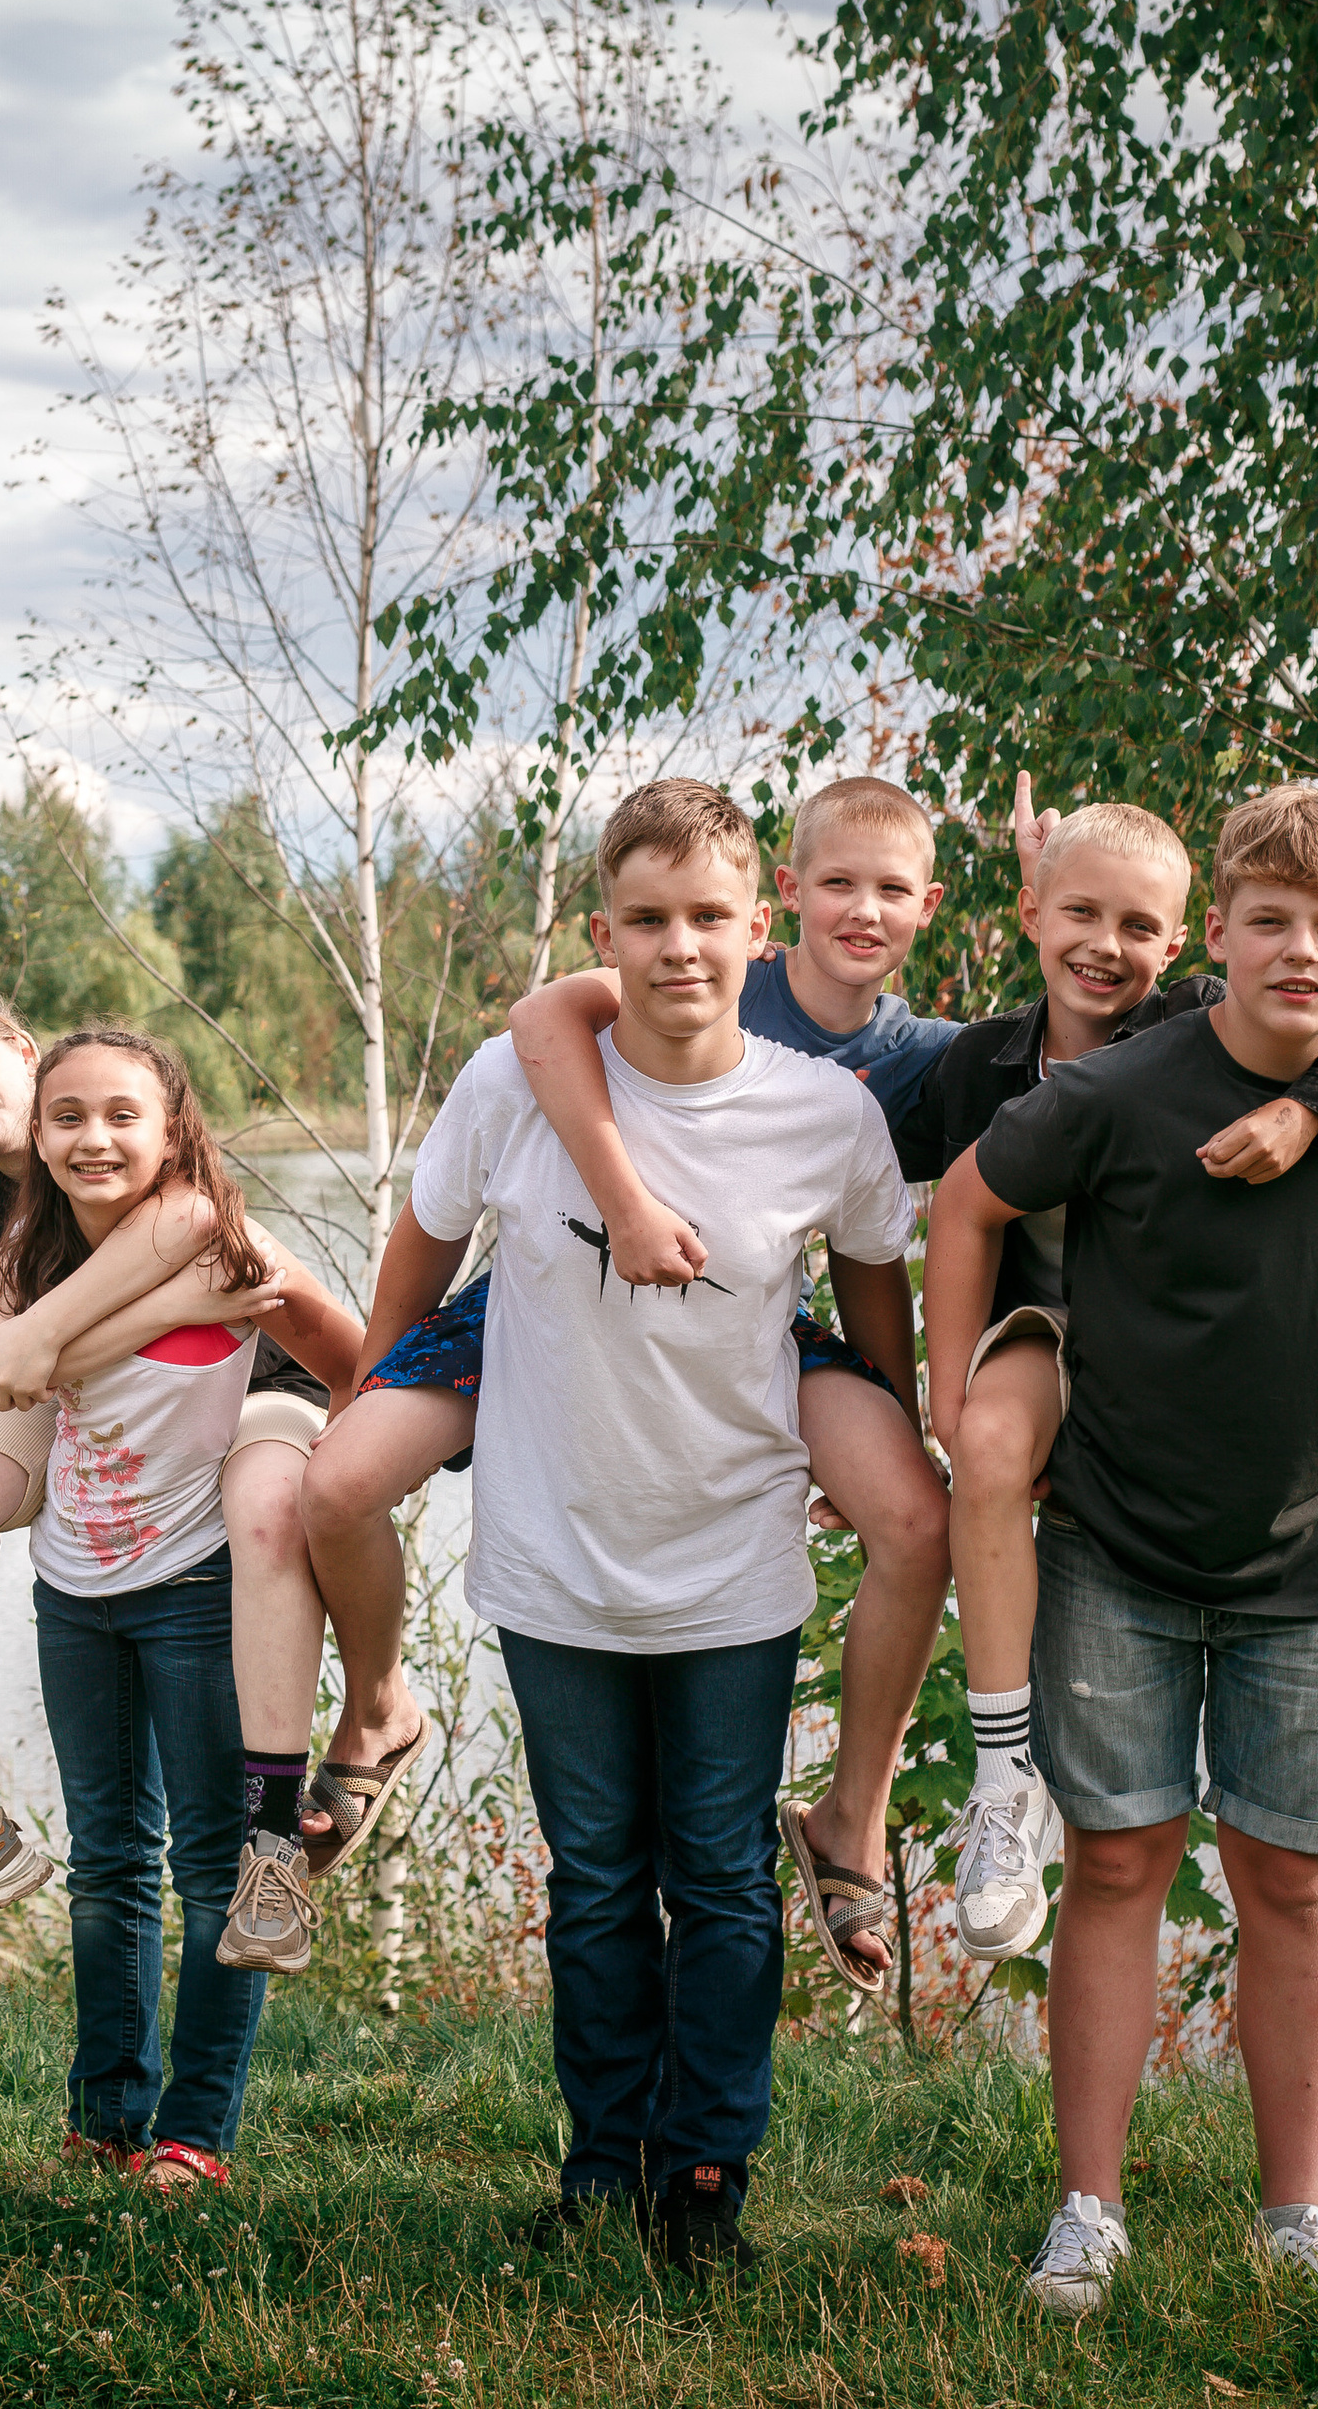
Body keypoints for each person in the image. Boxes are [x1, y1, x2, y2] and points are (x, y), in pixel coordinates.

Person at [377, 778, 917, 2271]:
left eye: (708, 919)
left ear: (760, 928)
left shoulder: (825, 1115)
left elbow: (876, 1299)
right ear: (600, 931)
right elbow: (420, 1247)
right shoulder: (514, 1087)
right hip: (554, 1559)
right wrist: (378, 1387)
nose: (680, 947)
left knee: (727, 1884)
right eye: (647, 920)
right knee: (597, 1881)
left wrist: (874, 1415)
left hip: (732, 1560)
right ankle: (598, 2163)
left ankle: (706, 2182)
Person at [924, 785, 1318, 2313]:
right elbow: (965, 1206)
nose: (1300, 950)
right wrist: (962, 1402)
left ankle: (1295, 2209)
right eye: (1271, 920)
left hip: (1302, 1580)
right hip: (1118, 1551)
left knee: (1289, 1888)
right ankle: (1089, 2207)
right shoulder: (1121, 1089)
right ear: (1214, 936)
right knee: (1118, 1865)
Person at [0, 983, 359, 1963]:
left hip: (246, 1387)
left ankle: (274, 1831)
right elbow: (6, 1357)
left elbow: (194, 1239)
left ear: (17, 1042)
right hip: (95, 1411)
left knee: (262, 1498)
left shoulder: (112, 1118)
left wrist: (76, 1325)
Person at [0, 1029, 348, 2189]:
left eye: (120, 1116)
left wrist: (341, 1458)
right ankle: (106, 2115)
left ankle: (196, 2131)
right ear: (37, 1135)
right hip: (75, 1587)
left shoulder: (220, 1243)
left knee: (213, 1869)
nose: (93, 1138)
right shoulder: (27, 1263)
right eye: (67, 1117)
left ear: (169, 1127)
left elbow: (346, 1352)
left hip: (199, 1587)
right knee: (105, 1864)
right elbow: (5, 1377)